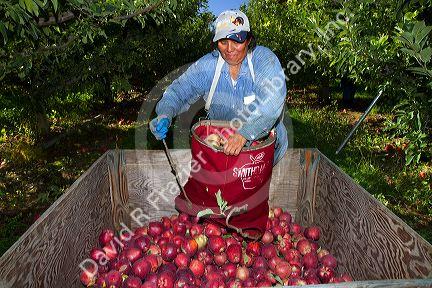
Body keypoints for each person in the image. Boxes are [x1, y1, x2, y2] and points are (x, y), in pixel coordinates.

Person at [150, 10, 288, 164]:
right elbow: (179, 91)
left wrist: (244, 134)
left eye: (237, 41)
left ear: (248, 40)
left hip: (263, 151)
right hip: (220, 147)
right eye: (223, 42)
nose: (229, 49)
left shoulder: (263, 59)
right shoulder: (208, 66)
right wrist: (165, 113)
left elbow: (273, 98)